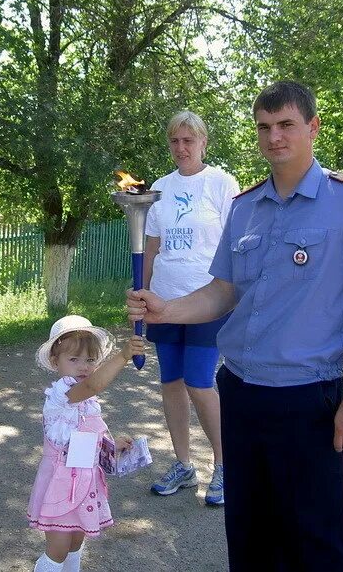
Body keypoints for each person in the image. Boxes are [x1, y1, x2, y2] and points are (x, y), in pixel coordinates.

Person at [127, 81, 343, 571]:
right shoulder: (245, 207)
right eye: (264, 127)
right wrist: (166, 309)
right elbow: (223, 292)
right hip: (242, 394)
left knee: (319, 544)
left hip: (308, 401)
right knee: (251, 536)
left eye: (287, 124)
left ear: (312, 127)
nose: (275, 137)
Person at [143, 110, 239, 506]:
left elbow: (236, 240)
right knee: (170, 384)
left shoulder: (221, 182)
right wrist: (140, 292)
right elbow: (150, 246)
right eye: (175, 141)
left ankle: (224, 466)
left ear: (203, 142)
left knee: (200, 381)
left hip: (207, 302)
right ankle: (184, 465)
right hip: (164, 302)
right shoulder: (159, 189)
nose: (181, 148)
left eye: (189, 140)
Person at [27, 315, 144, 572]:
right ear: (55, 361)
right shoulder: (63, 394)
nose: (83, 366)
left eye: (90, 360)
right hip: (61, 483)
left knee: (75, 544)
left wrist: (113, 445)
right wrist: (124, 355)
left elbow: (90, 436)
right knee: (56, 551)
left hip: (85, 480)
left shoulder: (88, 402)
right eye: (74, 359)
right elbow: (94, 384)